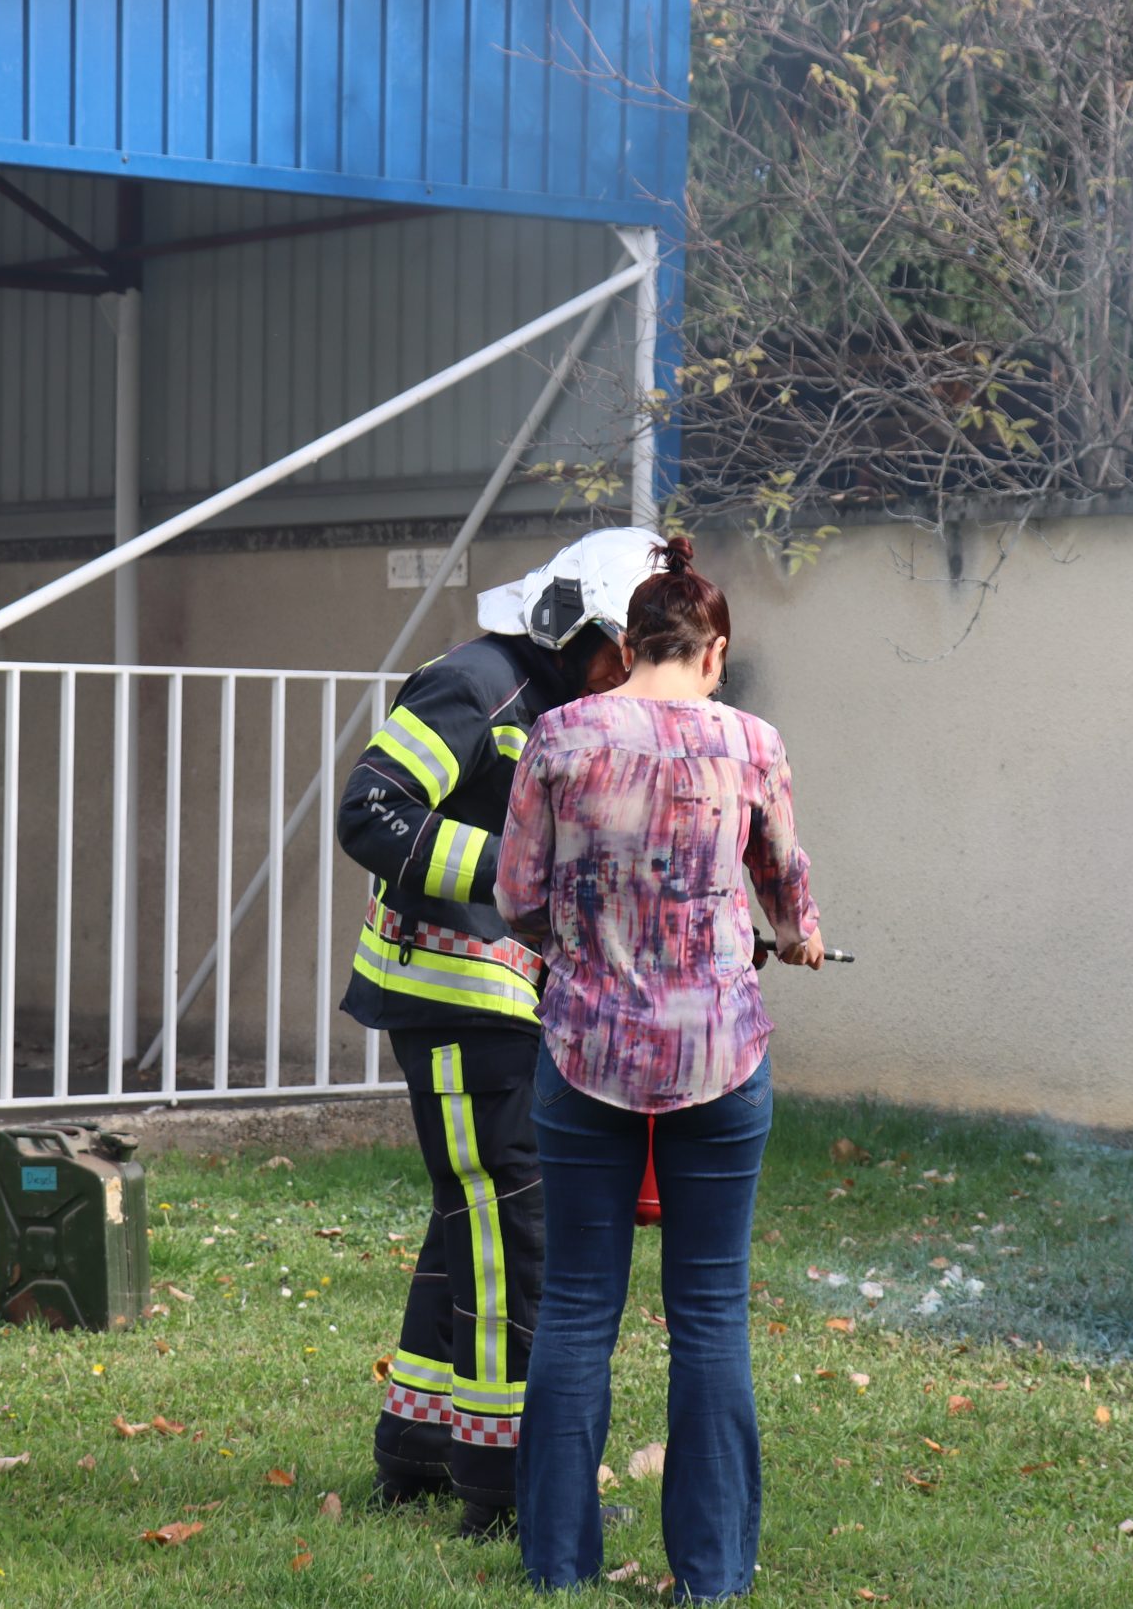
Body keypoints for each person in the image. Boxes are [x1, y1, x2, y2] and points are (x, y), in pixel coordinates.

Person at [496, 535, 825, 1599]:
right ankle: (712, 1575)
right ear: (713, 651)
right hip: (720, 1056)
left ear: (628, 642)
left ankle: (557, 1567)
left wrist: (588, 931)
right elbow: (786, 885)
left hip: (583, 1048)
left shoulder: (559, 736)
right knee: (711, 1315)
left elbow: (517, 896)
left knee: (577, 1308)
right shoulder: (752, 742)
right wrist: (797, 935)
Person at [337, 526, 672, 1538]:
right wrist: (515, 873)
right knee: (511, 1234)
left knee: (470, 1218)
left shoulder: (555, 702)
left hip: (496, 999)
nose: (634, 673)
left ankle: (417, 1443)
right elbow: (371, 809)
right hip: (451, 998)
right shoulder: (475, 684)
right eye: (627, 650)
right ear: (578, 626)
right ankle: (505, 1476)